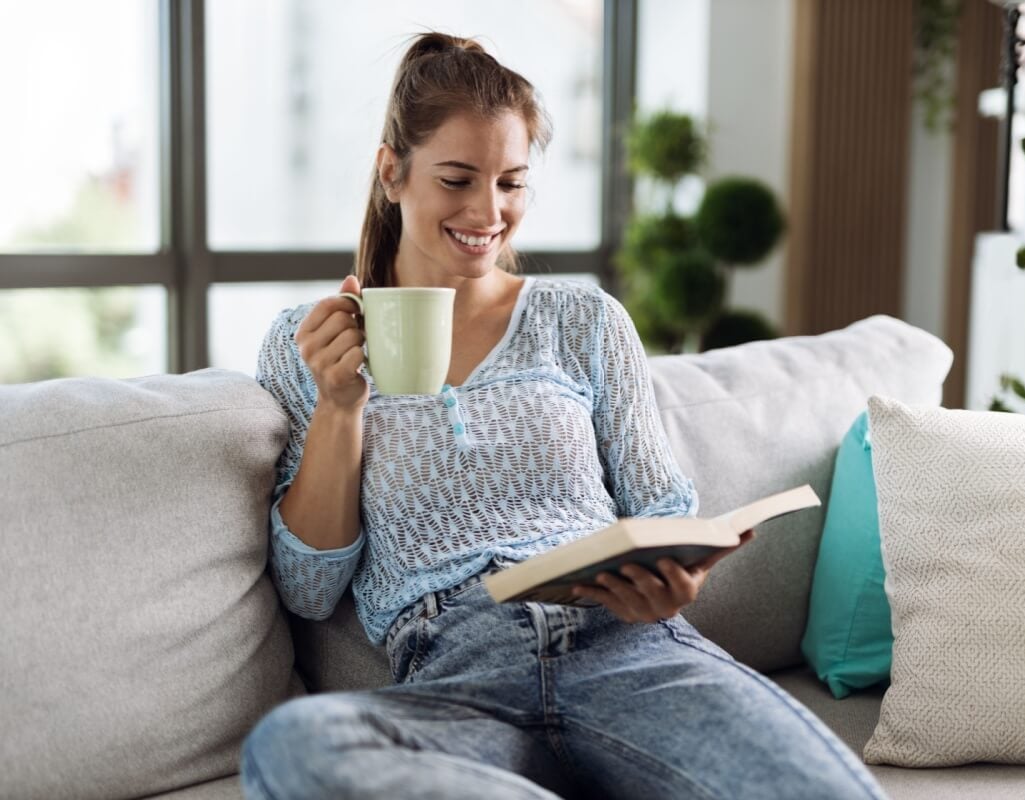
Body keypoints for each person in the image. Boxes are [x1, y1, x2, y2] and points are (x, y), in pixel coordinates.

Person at [240, 32, 889, 800]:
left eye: (512, 183)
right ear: (393, 172)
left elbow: (663, 511)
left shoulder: (583, 320)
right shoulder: (307, 343)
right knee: (291, 745)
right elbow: (310, 591)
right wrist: (342, 407)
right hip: (457, 674)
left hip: (628, 653)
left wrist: (673, 584)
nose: (489, 211)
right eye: (458, 179)